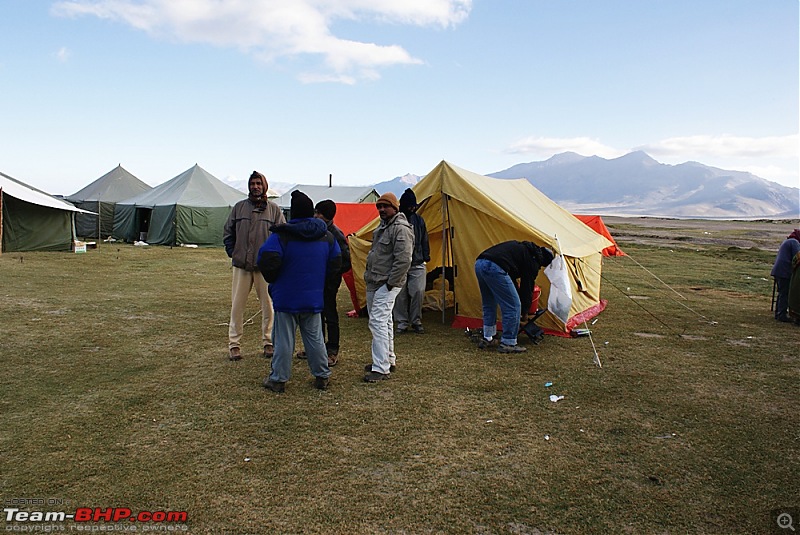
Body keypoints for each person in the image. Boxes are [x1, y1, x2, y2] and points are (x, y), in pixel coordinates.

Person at [257, 190, 341, 393]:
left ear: (293, 213)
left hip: (286, 297)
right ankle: (322, 375)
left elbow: (266, 259)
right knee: (315, 340)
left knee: (284, 340)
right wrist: (323, 285)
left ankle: (278, 379)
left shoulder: (282, 236)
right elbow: (337, 262)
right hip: (313, 298)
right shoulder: (327, 237)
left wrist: (274, 280)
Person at [223, 171, 285, 361]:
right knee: (237, 306)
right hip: (241, 265)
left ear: (264, 186)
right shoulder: (239, 208)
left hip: (263, 267)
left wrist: (274, 259)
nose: (255, 186)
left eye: (259, 183)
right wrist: (234, 252)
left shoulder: (274, 210)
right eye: (252, 183)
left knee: (268, 306)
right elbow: (228, 231)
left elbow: (282, 235)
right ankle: (234, 345)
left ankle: (268, 342)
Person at [363, 192, 413, 382]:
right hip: (375, 281)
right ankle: (387, 359)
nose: (381, 210)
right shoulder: (383, 226)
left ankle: (381, 367)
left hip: (386, 283)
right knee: (384, 322)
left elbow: (404, 260)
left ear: (395, 207)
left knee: (377, 321)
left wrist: (391, 283)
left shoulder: (401, 229)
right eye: (379, 207)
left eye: (385, 206)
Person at [296, 200, 351, 366]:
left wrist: (331, 273)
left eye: (320, 213)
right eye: (315, 212)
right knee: (315, 314)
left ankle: (332, 350)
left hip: (329, 282)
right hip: (315, 281)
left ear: (328, 216)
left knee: (330, 314)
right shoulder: (315, 231)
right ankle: (316, 347)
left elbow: (346, 261)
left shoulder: (336, 234)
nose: (316, 216)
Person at [474, 241, 554, 353]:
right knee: (513, 306)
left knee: (489, 303)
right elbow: (527, 287)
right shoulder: (533, 260)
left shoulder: (524, 250)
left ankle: (488, 337)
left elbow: (511, 279)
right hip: (495, 267)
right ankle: (508, 342)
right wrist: (525, 312)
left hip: (480, 263)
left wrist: (515, 294)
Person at [393, 188, 430, 334]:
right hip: (399, 263)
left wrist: (426, 255)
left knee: (418, 291)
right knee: (399, 294)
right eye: (410, 206)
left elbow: (424, 239)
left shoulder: (419, 220)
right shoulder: (395, 220)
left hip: (417, 262)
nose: (413, 208)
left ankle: (416, 320)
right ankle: (402, 322)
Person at [770, 229, 800, 323]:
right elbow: (797, 257)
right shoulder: (794, 242)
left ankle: (778, 313)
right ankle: (781, 315)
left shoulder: (787, 241)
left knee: (782, 292)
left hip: (778, 270)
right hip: (785, 271)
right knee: (785, 292)